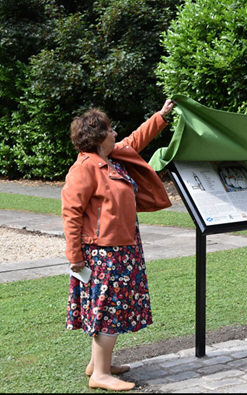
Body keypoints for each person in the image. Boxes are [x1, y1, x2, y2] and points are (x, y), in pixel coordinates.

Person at [62, 99, 175, 391]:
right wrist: (75, 256)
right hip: (103, 253)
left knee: (112, 309)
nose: (115, 134)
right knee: (107, 310)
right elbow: (71, 213)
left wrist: (161, 116)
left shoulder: (113, 158)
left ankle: (98, 364)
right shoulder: (84, 168)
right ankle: (100, 375)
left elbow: (137, 138)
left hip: (124, 249)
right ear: (99, 138)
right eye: (110, 130)